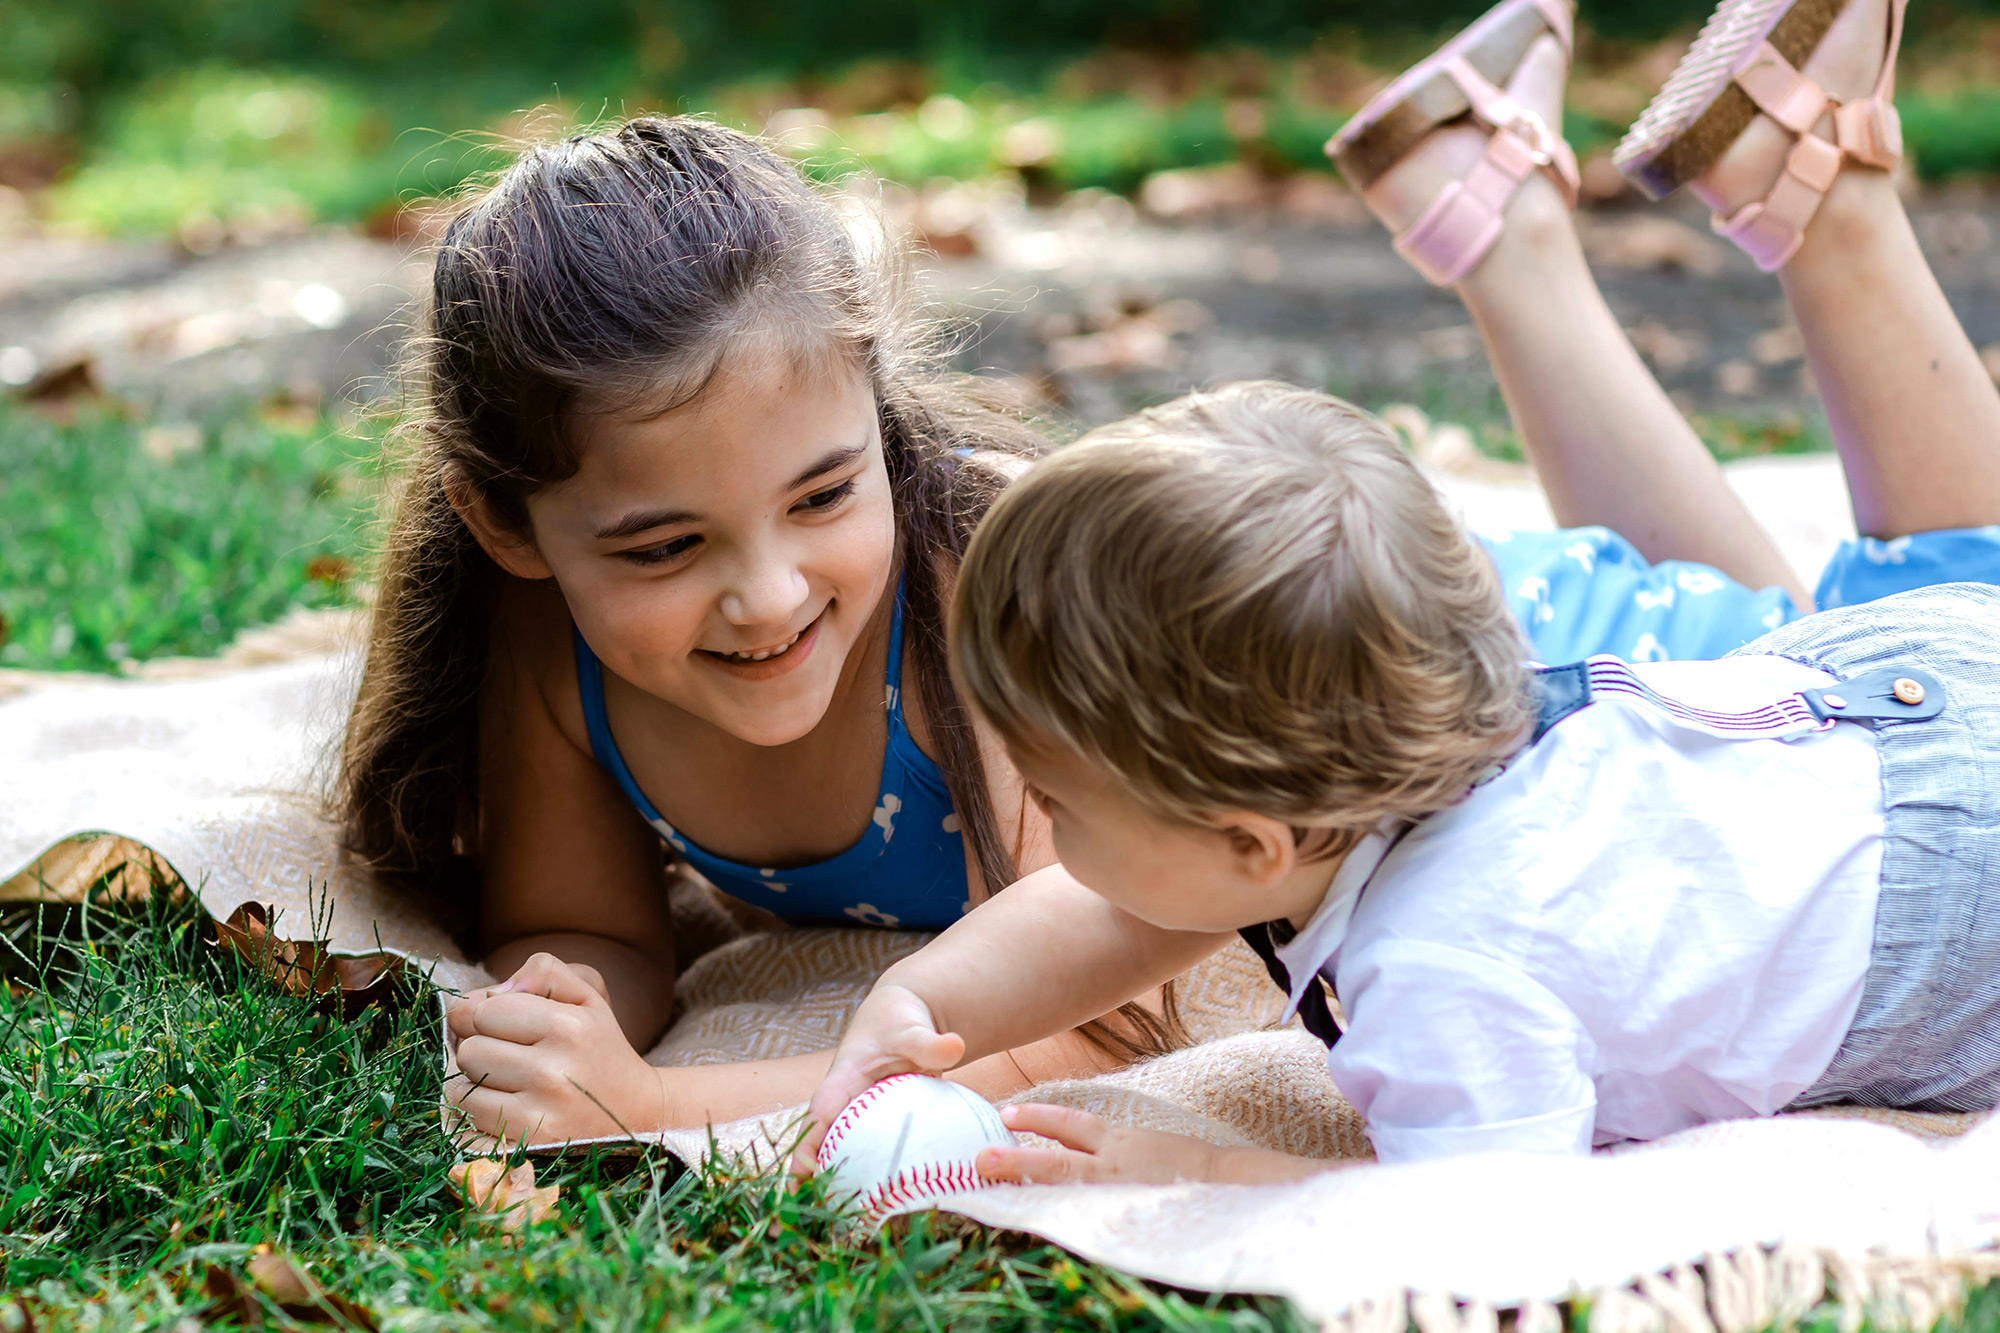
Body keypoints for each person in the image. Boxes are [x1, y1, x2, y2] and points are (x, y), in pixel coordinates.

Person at [794, 0, 2000, 1177]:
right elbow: (1129, 909)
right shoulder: (1369, 771)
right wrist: (920, 998)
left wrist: (1189, 1170)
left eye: (1059, 803)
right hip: (1922, 688)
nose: (1042, 831)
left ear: (1252, 842)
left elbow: (1470, 1218)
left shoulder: (1446, 966)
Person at [339, 117, 1190, 1148]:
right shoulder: (548, 642)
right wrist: (560, 1016)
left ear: (876, 414)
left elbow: (1103, 1031)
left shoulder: (996, 581)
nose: (769, 598)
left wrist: (651, 1107)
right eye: (663, 549)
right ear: (506, 526)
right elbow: (590, 929)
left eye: (823, 495)